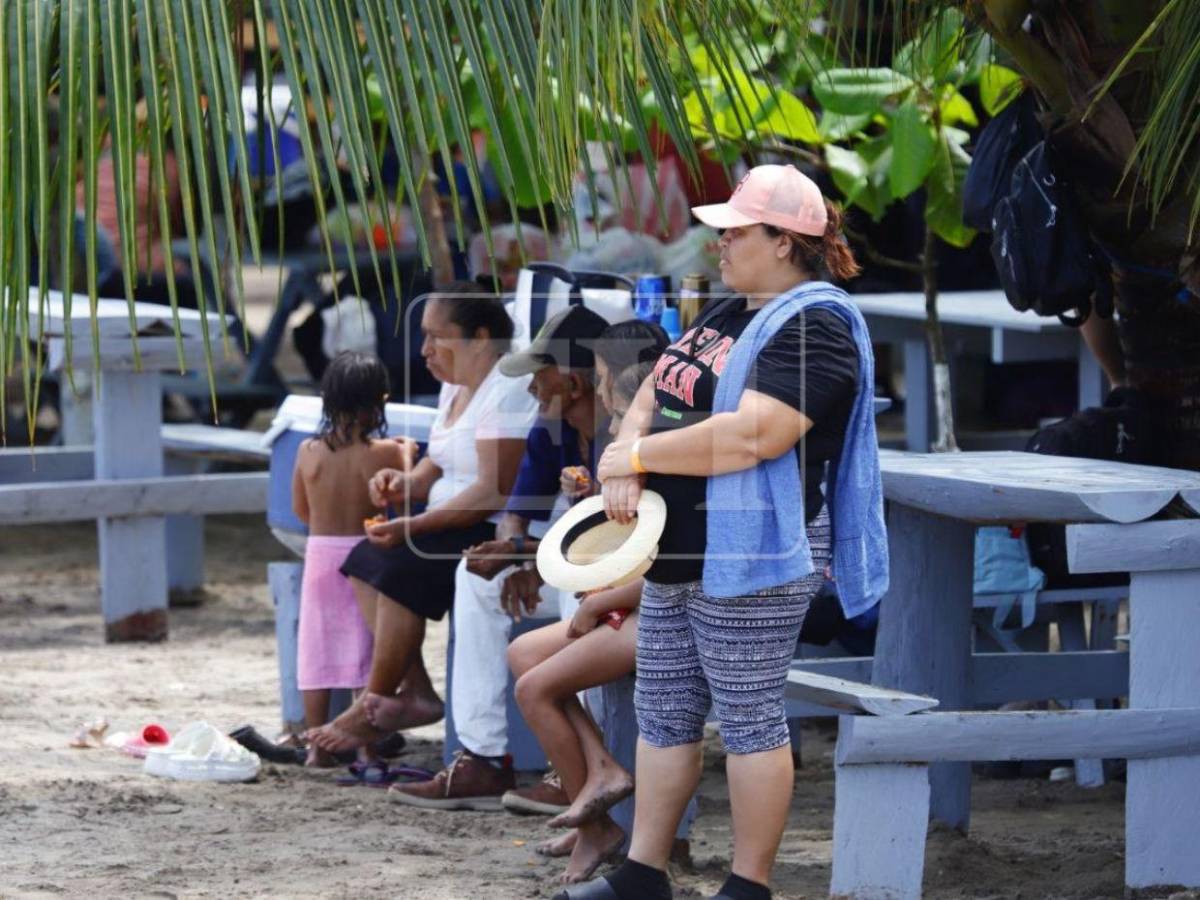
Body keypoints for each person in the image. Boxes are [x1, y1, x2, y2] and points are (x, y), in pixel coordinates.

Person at [567, 164, 889, 900]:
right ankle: (643, 874)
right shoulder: (730, 309)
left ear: (784, 242)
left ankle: (749, 886)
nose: (720, 243)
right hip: (677, 541)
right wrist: (628, 453)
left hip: (755, 547)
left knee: (748, 715)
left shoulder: (816, 326)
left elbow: (757, 435)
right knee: (664, 707)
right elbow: (656, 382)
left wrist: (638, 456)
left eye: (737, 232)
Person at [386, 305, 612, 811]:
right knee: (476, 578)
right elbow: (517, 512)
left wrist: (528, 558)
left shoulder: (621, 434)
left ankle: (575, 769)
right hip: (567, 563)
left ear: (574, 384)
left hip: (624, 582)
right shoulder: (552, 427)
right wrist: (516, 558)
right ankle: (482, 758)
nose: (531, 388)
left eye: (540, 375)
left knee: (585, 591)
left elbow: (612, 545)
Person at [306, 282, 537, 754]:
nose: (424, 349)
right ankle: (414, 690)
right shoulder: (455, 384)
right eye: (424, 335)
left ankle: (373, 702)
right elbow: (440, 459)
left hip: (488, 526)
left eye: (436, 336)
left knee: (398, 565)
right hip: (446, 518)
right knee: (363, 560)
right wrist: (405, 482)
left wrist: (413, 526)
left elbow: (491, 492)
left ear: (479, 337)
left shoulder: (507, 388)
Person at [506, 358, 657, 886]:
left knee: (533, 688)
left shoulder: (670, 467)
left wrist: (597, 603)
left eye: (618, 413)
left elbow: (675, 570)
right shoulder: (634, 463)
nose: (612, 424)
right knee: (523, 653)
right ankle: (600, 771)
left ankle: (594, 826)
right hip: (627, 605)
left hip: (659, 613)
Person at [290, 351, 415, 767]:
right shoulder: (385, 452)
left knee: (317, 646)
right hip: (366, 553)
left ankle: (316, 747)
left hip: (320, 553)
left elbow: (300, 510)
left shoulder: (308, 450)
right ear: (378, 401)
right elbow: (405, 496)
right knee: (368, 648)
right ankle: (366, 745)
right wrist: (409, 455)